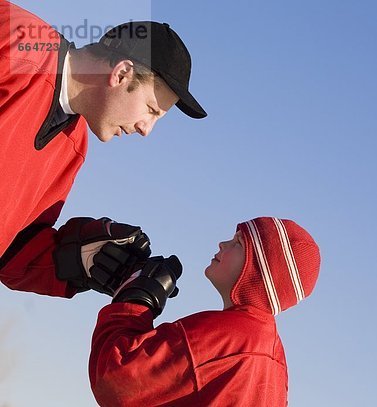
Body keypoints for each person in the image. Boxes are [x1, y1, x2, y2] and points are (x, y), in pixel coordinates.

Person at [0, 1, 206, 298]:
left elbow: (13, 253)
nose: (146, 129)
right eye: (151, 109)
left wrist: (81, 258)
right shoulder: (16, 38)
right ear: (122, 73)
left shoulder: (73, 148)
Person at [89, 216, 321, 406]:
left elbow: (115, 380)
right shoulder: (275, 361)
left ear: (260, 272)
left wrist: (134, 301)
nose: (223, 244)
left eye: (238, 243)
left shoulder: (231, 334)